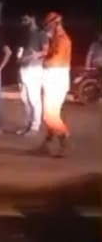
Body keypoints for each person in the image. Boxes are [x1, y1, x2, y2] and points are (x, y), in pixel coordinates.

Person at [36, 12, 72, 157]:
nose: (47, 28)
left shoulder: (62, 40)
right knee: (50, 114)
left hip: (56, 79)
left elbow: (54, 61)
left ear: (55, 24)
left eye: (48, 25)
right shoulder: (56, 39)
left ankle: (64, 139)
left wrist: (43, 60)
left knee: (50, 116)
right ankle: (46, 145)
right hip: (53, 78)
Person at [16, 14, 49, 136]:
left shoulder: (41, 33)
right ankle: (27, 125)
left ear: (33, 18)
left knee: (34, 99)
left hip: (34, 70)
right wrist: (19, 59)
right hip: (23, 69)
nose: (23, 21)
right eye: (22, 19)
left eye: (25, 19)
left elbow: (46, 51)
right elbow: (20, 51)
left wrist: (34, 56)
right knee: (24, 98)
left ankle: (35, 126)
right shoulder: (24, 33)